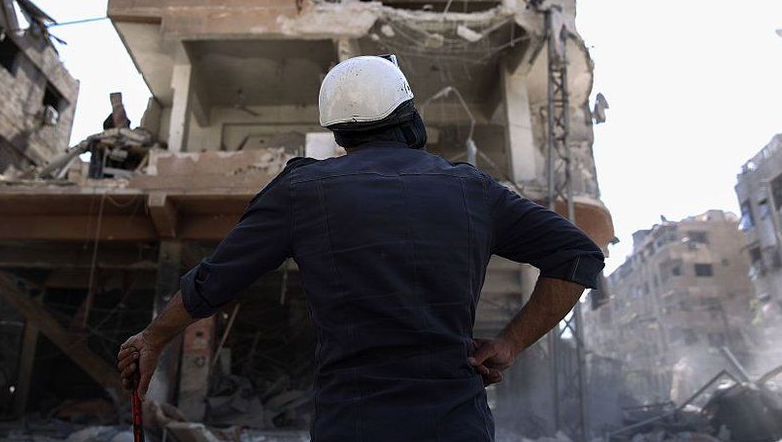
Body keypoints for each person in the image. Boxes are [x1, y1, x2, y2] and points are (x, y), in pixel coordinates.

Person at [117, 55, 605, 441]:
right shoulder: (470, 189)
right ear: (408, 118)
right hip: (457, 424)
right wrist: (509, 344)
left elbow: (214, 282)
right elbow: (578, 255)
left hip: (351, 424)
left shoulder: (303, 191)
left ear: (339, 132)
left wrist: (154, 337)